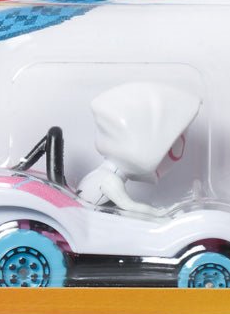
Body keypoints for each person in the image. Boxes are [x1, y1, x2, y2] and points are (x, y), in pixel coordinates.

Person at [77, 82, 201, 216]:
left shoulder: (96, 177)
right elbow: (129, 208)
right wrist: (161, 214)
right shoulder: (109, 180)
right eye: (172, 150)